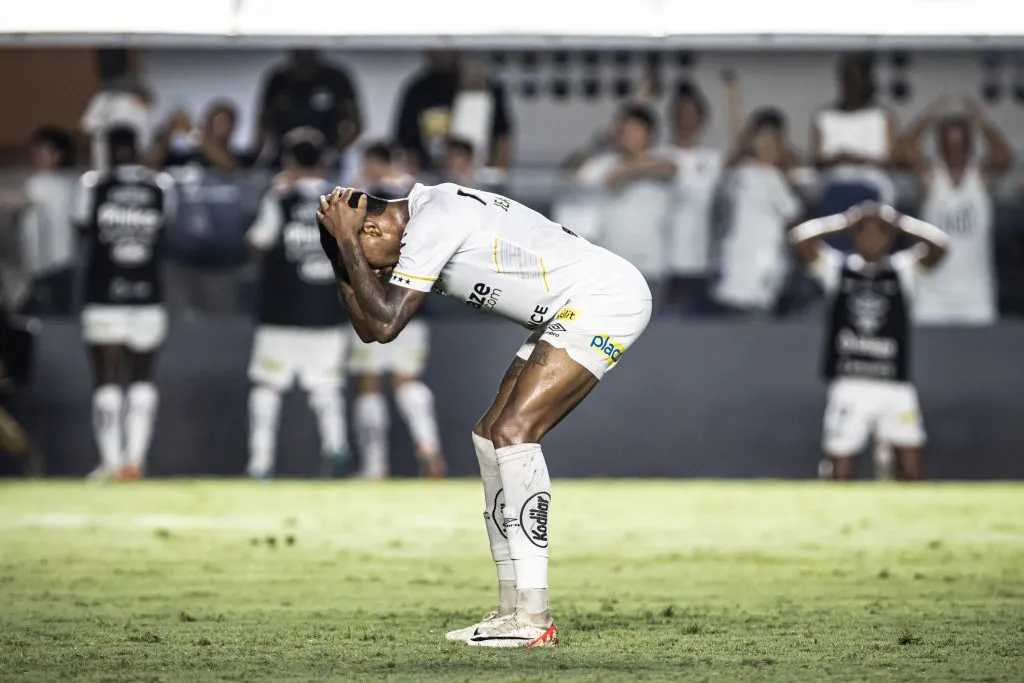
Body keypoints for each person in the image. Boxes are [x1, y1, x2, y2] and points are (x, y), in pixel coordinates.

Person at [316, 183, 653, 647]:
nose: (381, 271)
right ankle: (511, 609)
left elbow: (386, 323)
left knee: (515, 432)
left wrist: (348, 241)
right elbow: (369, 327)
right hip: (566, 308)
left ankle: (535, 617)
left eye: (376, 259)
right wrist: (345, 250)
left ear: (371, 226)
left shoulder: (433, 219)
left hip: (605, 298)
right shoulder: (415, 220)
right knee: (489, 434)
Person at [789, 203, 949, 481]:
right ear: (854, 237)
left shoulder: (903, 271)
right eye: (864, 233)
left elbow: (940, 247)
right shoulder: (837, 269)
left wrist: (899, 222)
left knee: (911, 468)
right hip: (851, 382)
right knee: (841, 467)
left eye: (879, 233)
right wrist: (844, 221)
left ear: (889, 239)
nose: (872, 240)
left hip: (894, 384)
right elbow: (800, 240)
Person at [245, 129, 350, 479]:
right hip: (326, 310)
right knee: (326, 388)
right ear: (322, 160)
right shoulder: (343, 202)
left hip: (282, 309)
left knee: (267, 386)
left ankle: (260, 463)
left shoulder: (280, 198)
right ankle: (336, 450)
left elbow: (258, 244)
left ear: (289, 160)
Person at [73, 126, 177, 480]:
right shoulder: (160, 187)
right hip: (148, 292)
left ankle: (111, 461)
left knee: (106, 379)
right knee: (143, 378)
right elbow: (168, 229)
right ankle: (135, 460)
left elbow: (83, 228)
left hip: (104, 292)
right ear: (137, 147)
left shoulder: (93, 185)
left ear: (108, 148)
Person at [350, 143, 445, 480]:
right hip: (414, 298)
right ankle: (429, 448)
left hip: (376, 299)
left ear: (373, 163)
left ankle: (375, 467)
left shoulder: (367, 199)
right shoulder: (420, 196)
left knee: (370, 384)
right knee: (407, 380)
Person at [898, 96, 1014, 326]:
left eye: (960, 144)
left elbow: (1005, 159)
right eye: (949, 144)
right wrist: (927, 119)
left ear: (969, 144)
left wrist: (983, 123)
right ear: (940, 145)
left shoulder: (979, 177)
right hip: (932, 291)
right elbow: (901, 155)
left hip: (976, 291)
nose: (955, 151)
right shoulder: (932, 177)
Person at [574, 104, 677, 293]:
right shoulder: (602, 163)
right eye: (623, 129)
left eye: (633, 129)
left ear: (649, 134)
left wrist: (629, 169)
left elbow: (670, 169)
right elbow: (575, 178)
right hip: (611, 264)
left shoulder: (663, 160)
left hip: (651, 266)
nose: (626, 135)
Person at [714, 108, 804, 313]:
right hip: (761, 265)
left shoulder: (738, 175)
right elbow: (795, 217)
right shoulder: (769, 177)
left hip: (737, 263)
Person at [393, 50, 513, 175]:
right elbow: (406, 141)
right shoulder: (419, 89)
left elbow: (503, 137)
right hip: (430, 173)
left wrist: (498, 175)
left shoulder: (487, 94)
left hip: (478, 170)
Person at [662, 81, 724, 314]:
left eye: (691, 114)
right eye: (680, 113)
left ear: (702, 119)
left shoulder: (714, 159)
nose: (685, 120)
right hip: (663, 261)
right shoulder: (658, 155)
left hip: (702, 260)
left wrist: (731, 94)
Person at [811, 54, 899, 216]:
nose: (853, 85)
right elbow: (817, 161)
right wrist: (838, 159)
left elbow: (892, 161)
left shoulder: (882, 116)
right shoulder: (825, 116)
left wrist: (860, 160)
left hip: (873, 184)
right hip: (835, 184)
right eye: (848, 78)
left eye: (857, 79)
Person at [253, 50, 363, 168]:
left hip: (324, 159)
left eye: (307, 55)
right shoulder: (278, 80)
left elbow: (356, 124)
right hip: (285, 158)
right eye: (300, 55)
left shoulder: (335, 78)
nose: (304, 60)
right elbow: (263, 124)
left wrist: (333, 152)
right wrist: (256, 158)